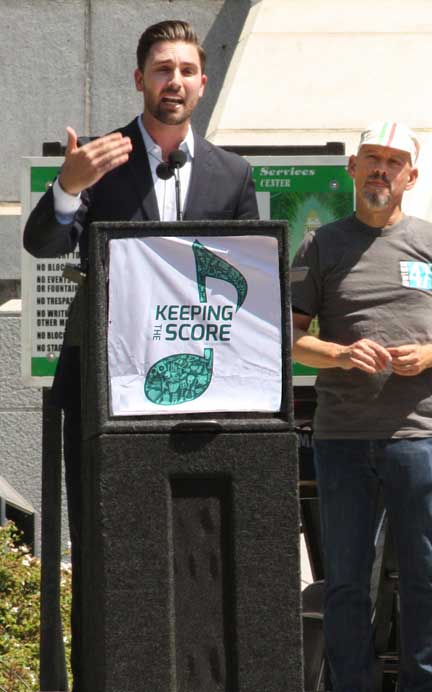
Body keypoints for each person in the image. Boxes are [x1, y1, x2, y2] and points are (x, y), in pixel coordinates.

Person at [21, 19, 258, 683]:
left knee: (196, 546)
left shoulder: (233, 175)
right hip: (106, 390)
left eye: (186, 70)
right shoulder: (99, 160)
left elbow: (247, 286)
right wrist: (67, 189)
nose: (174, 82)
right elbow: (41, 244)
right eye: (162, 70)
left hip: (203, 396)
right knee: (108, 551)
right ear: (139, 80)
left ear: (203, 83)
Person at [290, 121, 432, 692]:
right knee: (346, 580)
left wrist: (429, 355)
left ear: (412, 176)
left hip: (417, 435)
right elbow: (291, 339)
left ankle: (425, 684)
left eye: (394, 161)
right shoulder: (320, 245)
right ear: (352, 168)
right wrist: (343, 354)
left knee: (424, 574)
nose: (381, 169)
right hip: (342, 436)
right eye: (372, 158)